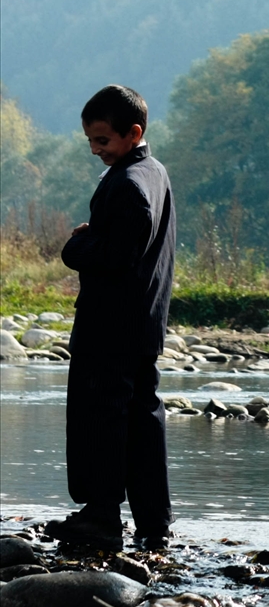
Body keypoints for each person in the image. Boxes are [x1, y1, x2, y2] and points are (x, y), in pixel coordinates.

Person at [45, 85, 176, 552]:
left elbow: (116, 254)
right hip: (142, 322)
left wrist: (77, 244)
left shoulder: (127, 184)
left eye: (103, 141)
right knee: (142, 421)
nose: (97, 151)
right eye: (92, 143)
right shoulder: (154, 172)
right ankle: (153, 523)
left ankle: (100, 517)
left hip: (109, 327)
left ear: (133, 132)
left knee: (100, 420)